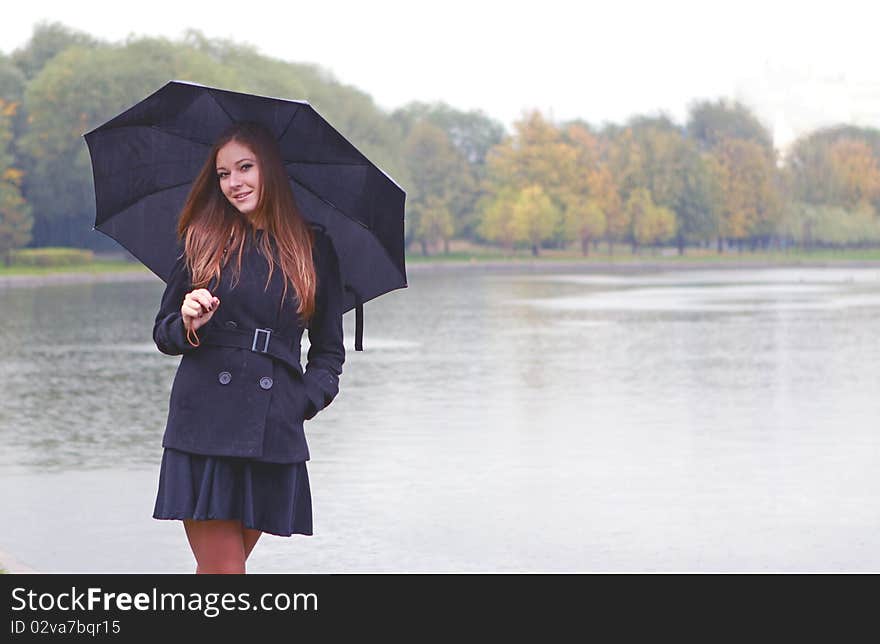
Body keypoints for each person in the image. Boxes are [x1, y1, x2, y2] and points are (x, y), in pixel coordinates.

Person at [150, 121, 345, 574]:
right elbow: (163, 334)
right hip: (205, 424)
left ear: (269, 170)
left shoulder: (313, 246)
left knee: (218, 574)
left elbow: (328, 352)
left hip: (271, 427)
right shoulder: (201, 238)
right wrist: (187, 320)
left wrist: (303, 401)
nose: (233, 183)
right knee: (226, 573)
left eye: (244, 167)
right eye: (222, 174)